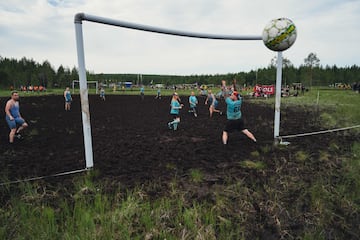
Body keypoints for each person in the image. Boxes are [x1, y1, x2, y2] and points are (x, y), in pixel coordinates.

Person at [221, 80, 257, 145]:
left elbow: (225, 94)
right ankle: (254, 140)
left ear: (234, 97)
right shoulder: (239, 101)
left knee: (225, 132)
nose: (230, 95)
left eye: (232, 95)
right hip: (239, 119)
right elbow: (236, 93)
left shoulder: (230, 103)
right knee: (245, 130)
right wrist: (234, 84)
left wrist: (224, 85)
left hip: (231, 120)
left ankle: (225, 144)